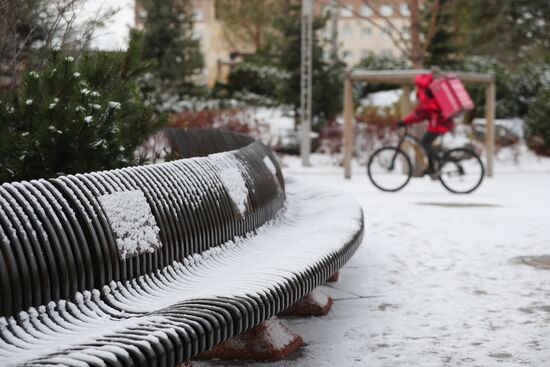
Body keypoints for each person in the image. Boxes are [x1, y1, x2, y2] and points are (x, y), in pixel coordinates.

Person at [397, 73, 453, 173]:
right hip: (440, 122)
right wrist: (409, 121)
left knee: (425, 142)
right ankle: (431, 167)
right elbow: (424, 114)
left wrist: (405, 121)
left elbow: (420, 112)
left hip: (439, 124)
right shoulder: (431, 91)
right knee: (427, 143)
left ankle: (438, 160)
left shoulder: (426, 93)